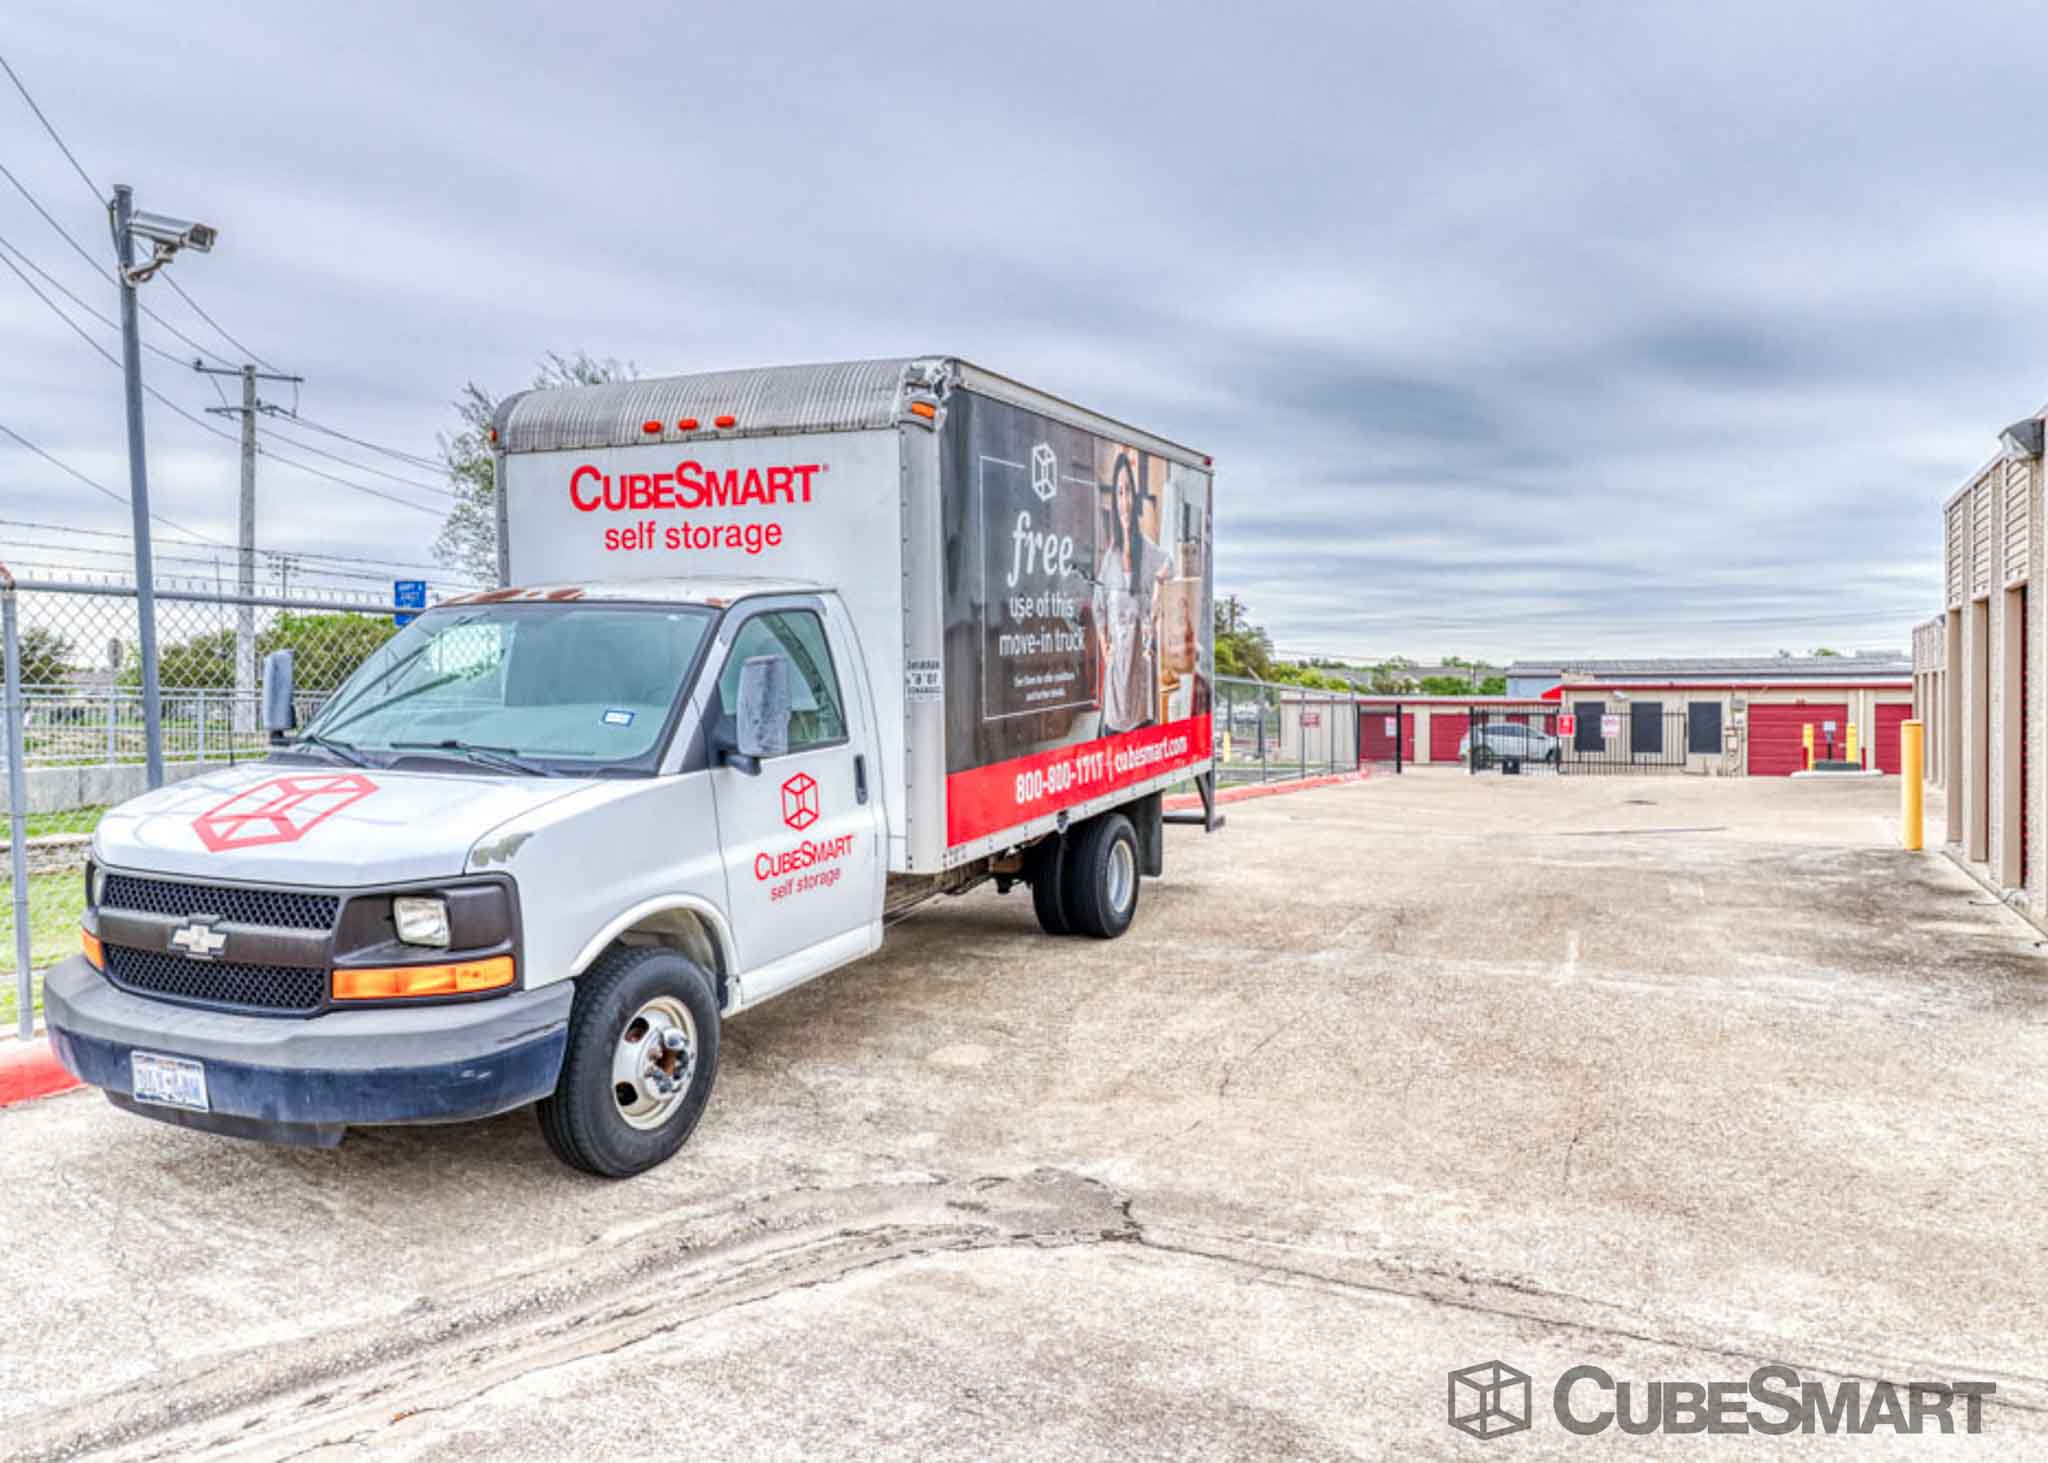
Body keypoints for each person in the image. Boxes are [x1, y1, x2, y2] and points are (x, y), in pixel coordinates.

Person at [1094, 451, 1170, 733]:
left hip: (1141, 680)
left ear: (1135, 499)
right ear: (1114, 499)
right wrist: (1105, 647)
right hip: (1116, 679)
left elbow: (1168, 566)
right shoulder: (1110, 558)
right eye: (1119, 492)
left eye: (1129, 493)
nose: (1124, 502)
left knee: (1141, 736)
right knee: (1113, 739)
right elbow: (1098, 605)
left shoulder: (1149, 552)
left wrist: (1159, 585)